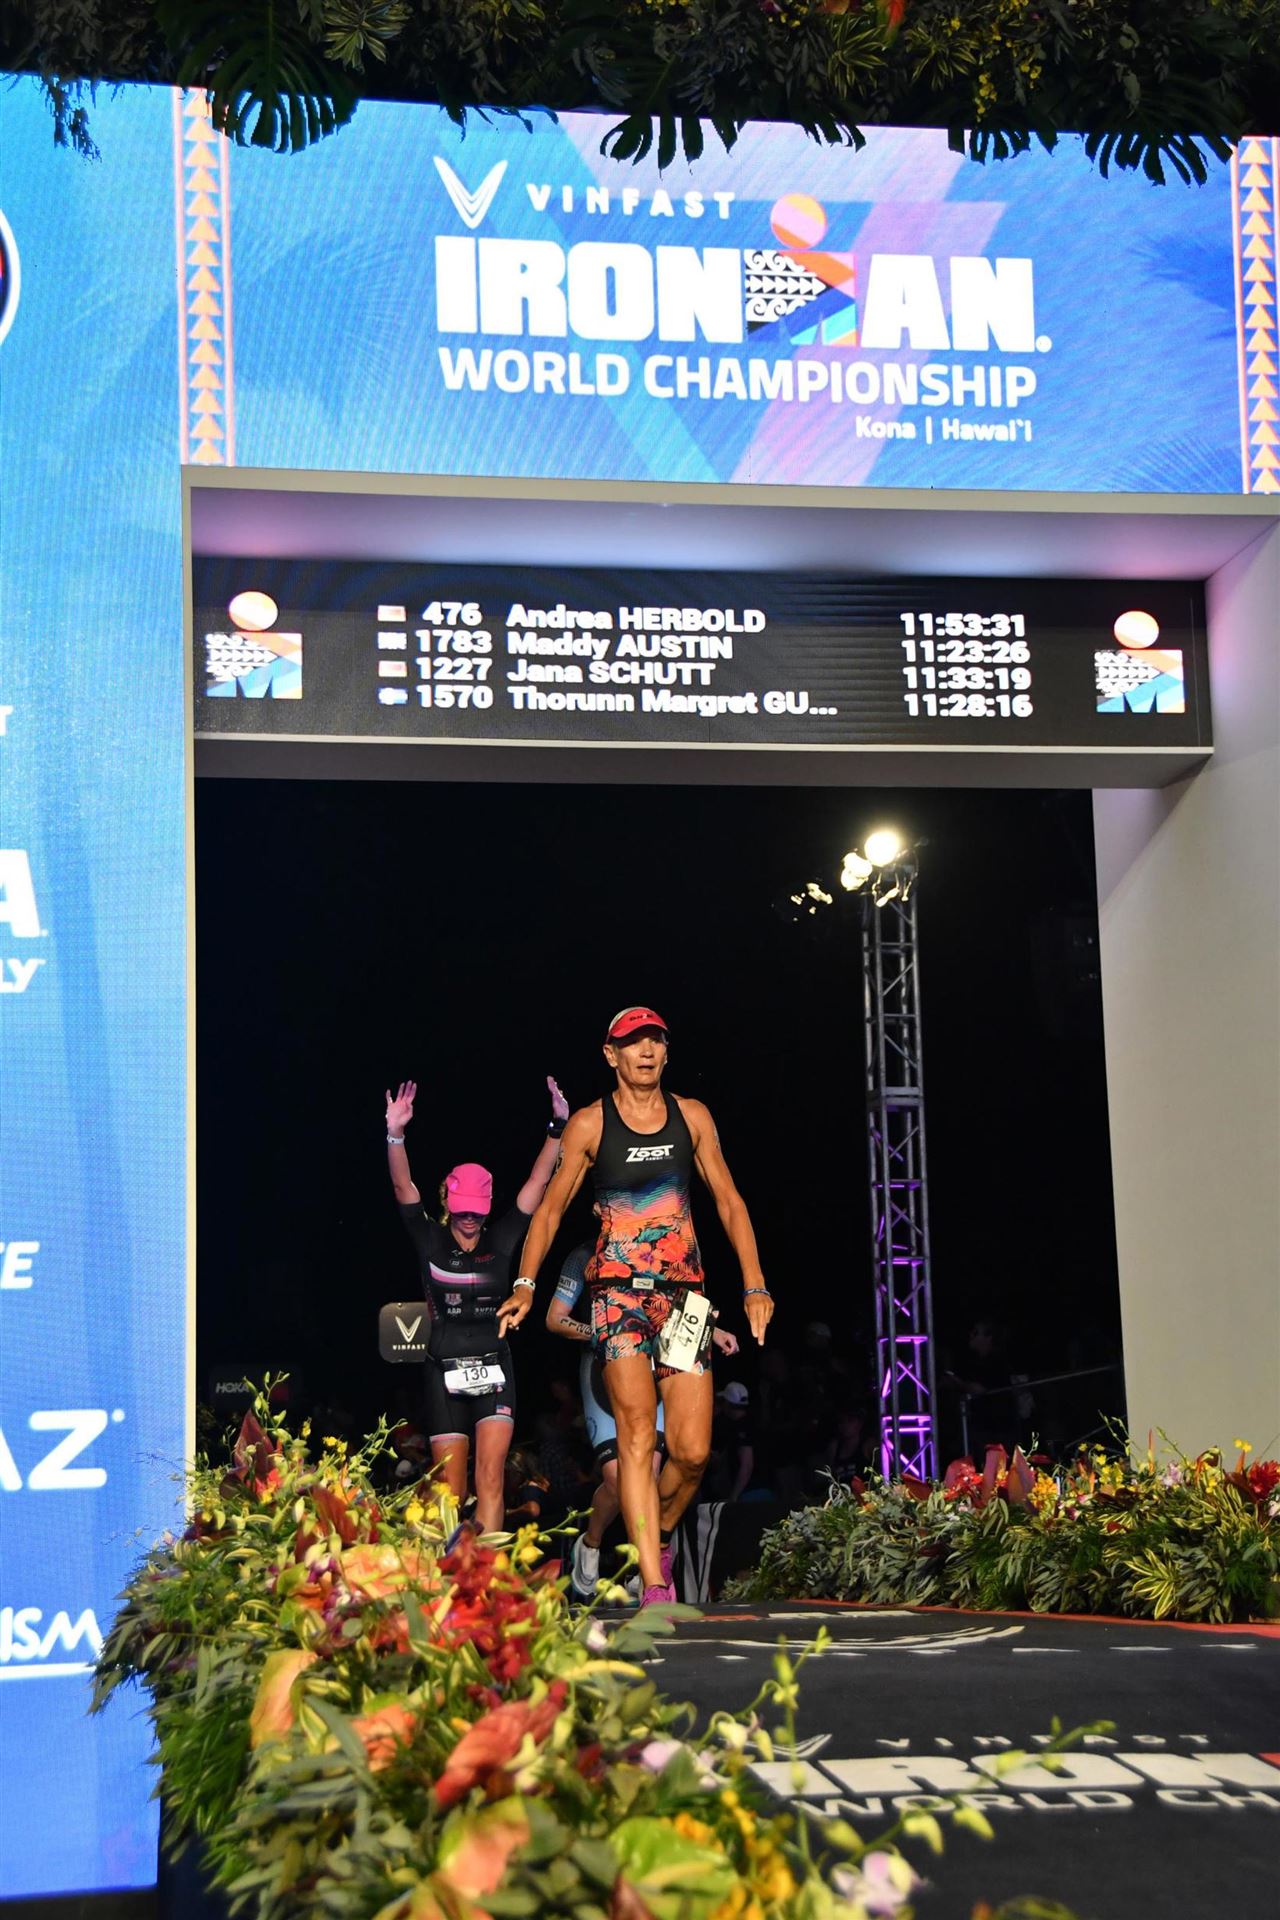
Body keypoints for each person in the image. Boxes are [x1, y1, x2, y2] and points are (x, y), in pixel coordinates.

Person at [498, 1006, 772, 1605]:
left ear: (667, 1052)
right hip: (617, 1295)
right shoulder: (590, 1125)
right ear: (611, 1054)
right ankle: (653, 1582)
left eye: (655, 1041)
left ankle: (658, 1537)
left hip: (683, 1299)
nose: (646, 1051)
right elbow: (550, 1209)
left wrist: (754, 1284)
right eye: (632, 1042)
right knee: (638, 1440)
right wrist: (525, 1283)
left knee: (692, 1453)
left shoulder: (692, 1116)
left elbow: (729, 1201)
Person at [385, 1074, 567, 1533]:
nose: (469, 1219)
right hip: (443, 1371)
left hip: (494, 1368)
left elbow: (538, 1182)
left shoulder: (501, 1240)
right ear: (449, 1202)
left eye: (477, 1211)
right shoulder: (429, 1239)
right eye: (462, 1210)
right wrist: (395, 1134)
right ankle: (450, 1569)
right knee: (451, 1490)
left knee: (490, 1480)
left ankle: (487, 1571)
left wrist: (557, 1129)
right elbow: (404, 1188)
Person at [547, 1237, 740, 1599]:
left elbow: (682, 1301)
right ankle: (591, 1541)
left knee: (650, 1475)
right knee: (618, 1481)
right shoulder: (583, 1255)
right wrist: (603, 1333)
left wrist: (713, 1331)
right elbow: (554, 1319)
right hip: (606, 1368)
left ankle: (646, 1567)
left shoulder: (665, 1240)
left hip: (659, 1366)